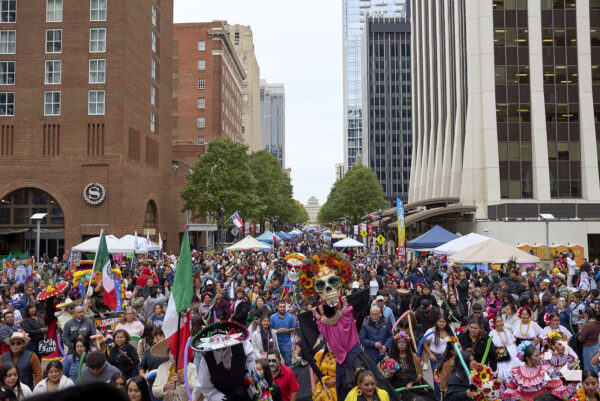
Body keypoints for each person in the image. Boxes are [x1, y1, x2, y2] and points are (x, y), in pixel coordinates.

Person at [192, 320, 257, 401]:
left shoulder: (241, 346)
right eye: (217, 348)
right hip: (221, 396)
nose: (220, 350)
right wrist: (220, 398)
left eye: (223, 347)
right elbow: (205, 386)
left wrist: (251, 375)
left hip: (244, 393)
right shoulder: (207, 359)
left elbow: (250, 358)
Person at [501, 342, 569, 401]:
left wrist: (546, 398)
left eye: (539, 355)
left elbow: (558, 386)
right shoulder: (516, 371)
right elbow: (511, 389)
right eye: (536, 356)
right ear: (528, 358)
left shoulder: (545, 370)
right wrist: (522, 399)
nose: (540, 357)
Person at [423, 315, 453, 399]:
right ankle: (436, 397)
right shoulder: (431, 331)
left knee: (447, 378)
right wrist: (431, 354)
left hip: (448, 358)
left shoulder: (449, 331)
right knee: (437, 379)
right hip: (436, 358)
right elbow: (425, 343)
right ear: (436, 321)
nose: (442, 324)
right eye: (440, 321)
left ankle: (446, 397)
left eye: (444, 322)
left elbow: (454, 343)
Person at [490, 315, 518, 381]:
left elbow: (513, 342)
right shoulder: (492, 333)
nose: (500, 323)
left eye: (501, 321)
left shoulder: (507, 331)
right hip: (499, 354)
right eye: (498, 322)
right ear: (494, 324)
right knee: (502, 371)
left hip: (511, 353)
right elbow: (491, 346)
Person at [578, 306, 600, 372]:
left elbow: (581, 339)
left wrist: (578, 335)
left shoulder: (587, 325)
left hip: (588, 348)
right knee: (595, 366)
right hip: (596, 346)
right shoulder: (598, 323)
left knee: (589, 368)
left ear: (586, 314)